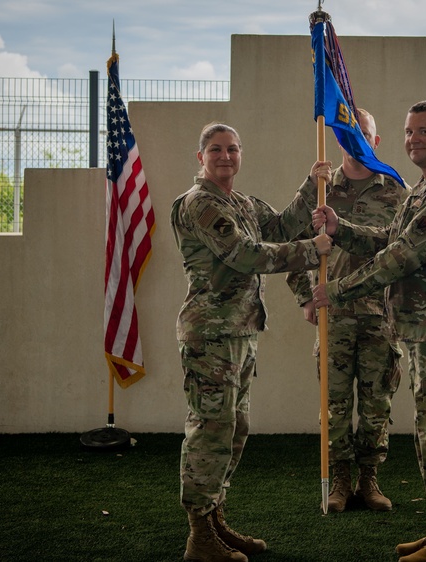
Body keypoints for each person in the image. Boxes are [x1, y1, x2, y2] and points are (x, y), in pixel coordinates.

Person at [312, 100, 426, 562]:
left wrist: (338, 290)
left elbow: (402, 257)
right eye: (409, 131)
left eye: (425, 132)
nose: (414, 140)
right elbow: (392, 237)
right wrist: (341, 227)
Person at [171, 122, 332, 562]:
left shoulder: (241, 202)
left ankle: (216, 517)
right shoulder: (199, 204)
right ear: (200, 157)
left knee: (235, 428)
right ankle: (199, 534)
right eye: (217, 149)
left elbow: (279, 226)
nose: (226, 156)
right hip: (212, 334)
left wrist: (312, 183)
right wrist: (310, 249)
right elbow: (245, 254)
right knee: (210, 430)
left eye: (233, 149)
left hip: (241, 331)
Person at [287, 108, 408, 513]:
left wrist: (344, 230)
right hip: (333, 316)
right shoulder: (321, 190)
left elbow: (395, 247)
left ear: (375, 142)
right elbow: (294, 247)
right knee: (334, 402)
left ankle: (369, 481)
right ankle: (339, 480)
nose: (355, 141)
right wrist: (305, 296)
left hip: (381, 316)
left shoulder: (397, 192)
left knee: (377, 403)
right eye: (347, 134)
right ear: (338, 140)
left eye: (364, 135)